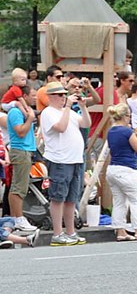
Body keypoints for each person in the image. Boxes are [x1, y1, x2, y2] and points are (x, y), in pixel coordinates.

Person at [39, 81, 91, 246]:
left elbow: (86, 124)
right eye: (61, 95)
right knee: (58, 197)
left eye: (64, 94)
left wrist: (82, 106)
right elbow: (60, 127)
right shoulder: (48, 112)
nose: (64, 97)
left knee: (71, 198)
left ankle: (70, 232)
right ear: (52, 96)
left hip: (75, 159)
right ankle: (57, 233)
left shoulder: (67, 112)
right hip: (60, 159)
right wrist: (68, 107)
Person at [103, 103, 137, 241]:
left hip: (113, 169)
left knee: (119, 201)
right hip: (127, 169)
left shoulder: (111, 131)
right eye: (129, 116)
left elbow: (123, 143)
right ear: (125, 116)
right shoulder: (126, 131)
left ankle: (120, 231)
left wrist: (135, 133)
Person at [6, 88, 38, 233]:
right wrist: (30, 119)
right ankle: (18, 218)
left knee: (19, 186)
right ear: (24, 96)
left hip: (26, 150)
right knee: (19, 187)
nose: (36, 98)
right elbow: (20, 131)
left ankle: (14, 219)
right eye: (33, 96)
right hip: (20, 150)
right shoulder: (15, 112)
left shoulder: (24, 111)